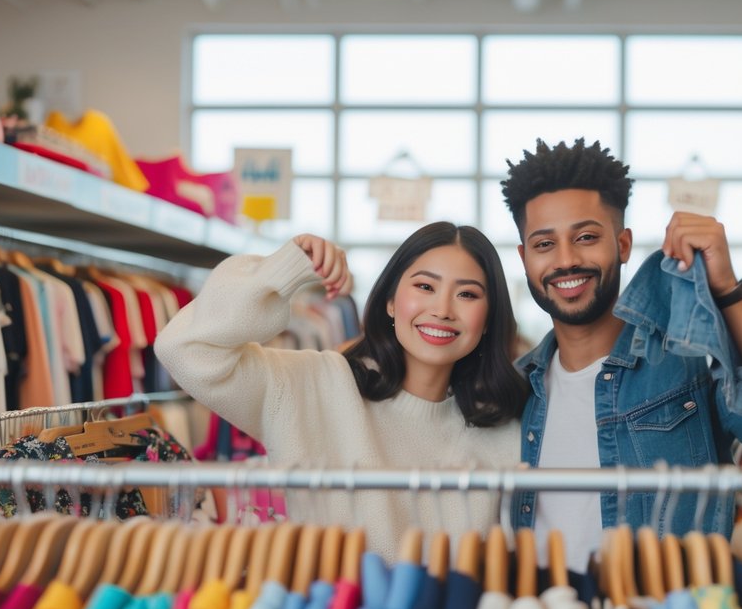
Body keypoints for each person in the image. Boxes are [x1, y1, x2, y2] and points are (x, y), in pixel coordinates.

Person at [502, 138, 742, 568]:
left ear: (622, 245)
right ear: (524, 257)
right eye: (544, 244)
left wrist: (726, 289)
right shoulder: (513, 389)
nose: (566, 260)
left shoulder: (688, 365)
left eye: (586, 237)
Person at [155, 222, 528, 561]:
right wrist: (280, 270)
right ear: (390, 302)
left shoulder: (507, 433)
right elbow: (184, 349)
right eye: (425, 286)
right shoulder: (315, 386)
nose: (443, 309)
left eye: (467, 295)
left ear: (488, 319)